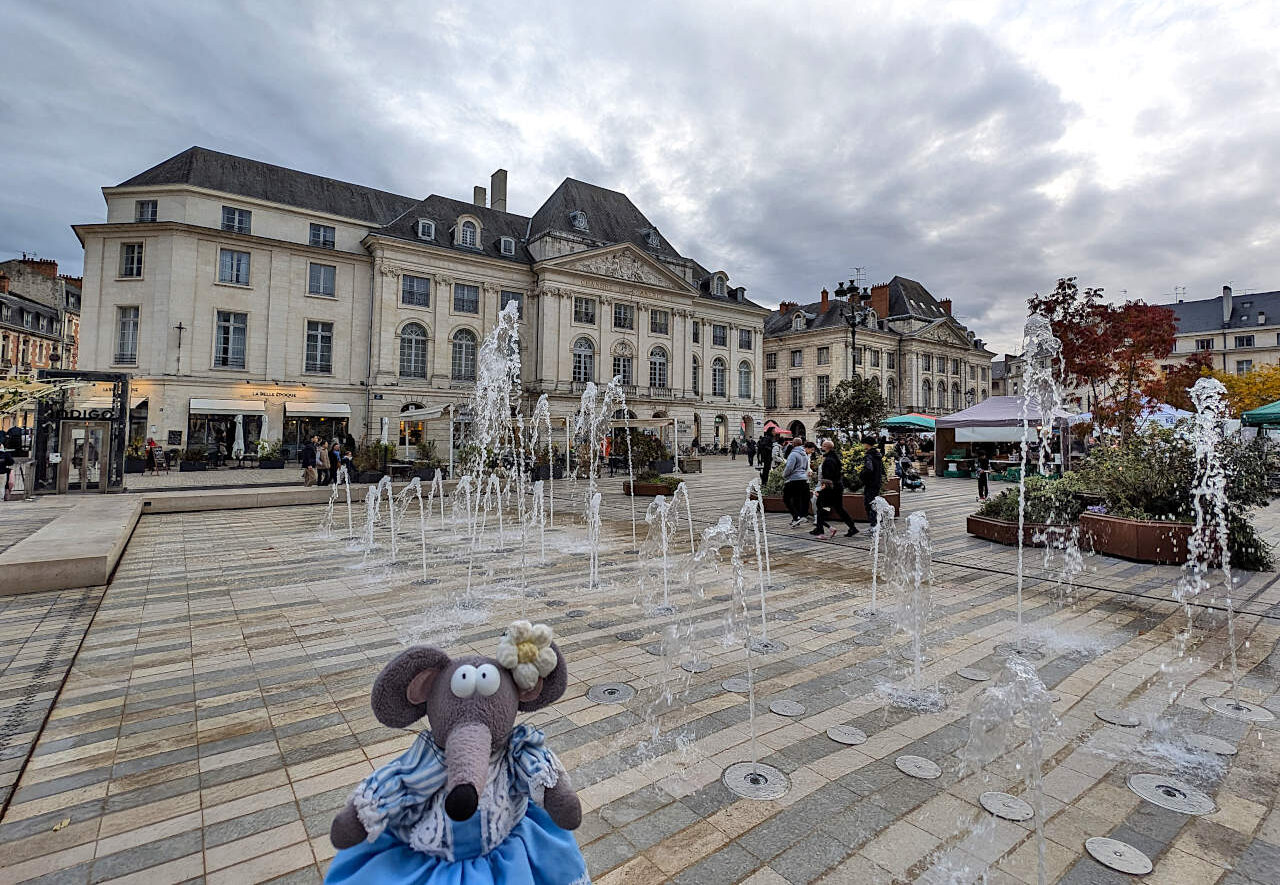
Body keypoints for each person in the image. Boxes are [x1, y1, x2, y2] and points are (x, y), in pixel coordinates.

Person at [813, 438, 857, 538]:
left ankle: (821, 532)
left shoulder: (828, 460)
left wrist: (822, 488)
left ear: (826, 447)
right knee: (839, 508)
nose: (821, 447)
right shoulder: (835, 457)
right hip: (837, 487)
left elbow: (828, 476)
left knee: (821, 506)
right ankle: (852, 527)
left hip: (830, 488)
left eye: (823, 446)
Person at [782, 439, 812, 526]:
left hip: (794, 479)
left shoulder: (793, 454)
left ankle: (796, 516)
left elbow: (789, 468)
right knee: (797, 499)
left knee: (786, 499)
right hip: (803, 479)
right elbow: (806, 467)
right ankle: (797, 518)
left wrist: (784, 475)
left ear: (794, 444)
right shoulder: (805, 455)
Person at [861, 436, 885, 528]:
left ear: (867, 444)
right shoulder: (877, 455)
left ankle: (874, 526)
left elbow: (869, 469)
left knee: (869, 504)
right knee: (874, 503)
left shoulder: (869, 456)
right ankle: (876, 525)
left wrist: (862, 475)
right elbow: (882, 469)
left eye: (864, 444)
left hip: (870, 483)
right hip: (877, 482)